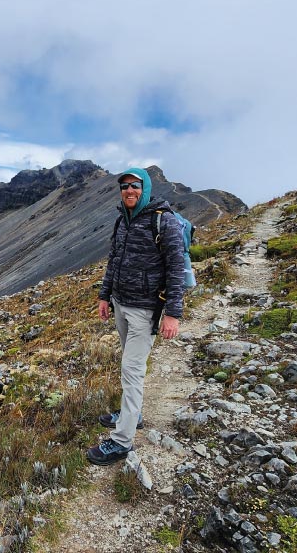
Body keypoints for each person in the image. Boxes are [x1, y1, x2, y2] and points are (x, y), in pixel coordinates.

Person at [87, 167, 185, 466]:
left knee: (131, 370)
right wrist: (105, 296)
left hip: (145, 310)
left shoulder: (163, 221)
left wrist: (172, 313)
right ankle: (133, 414)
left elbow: (176, 268)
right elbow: (114, 261)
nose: (129, 191)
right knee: (128, 365)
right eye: (125, 186)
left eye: (135, 186)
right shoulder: (123, 220)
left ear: (145, 188)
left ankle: (121, 441)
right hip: (121, 303)